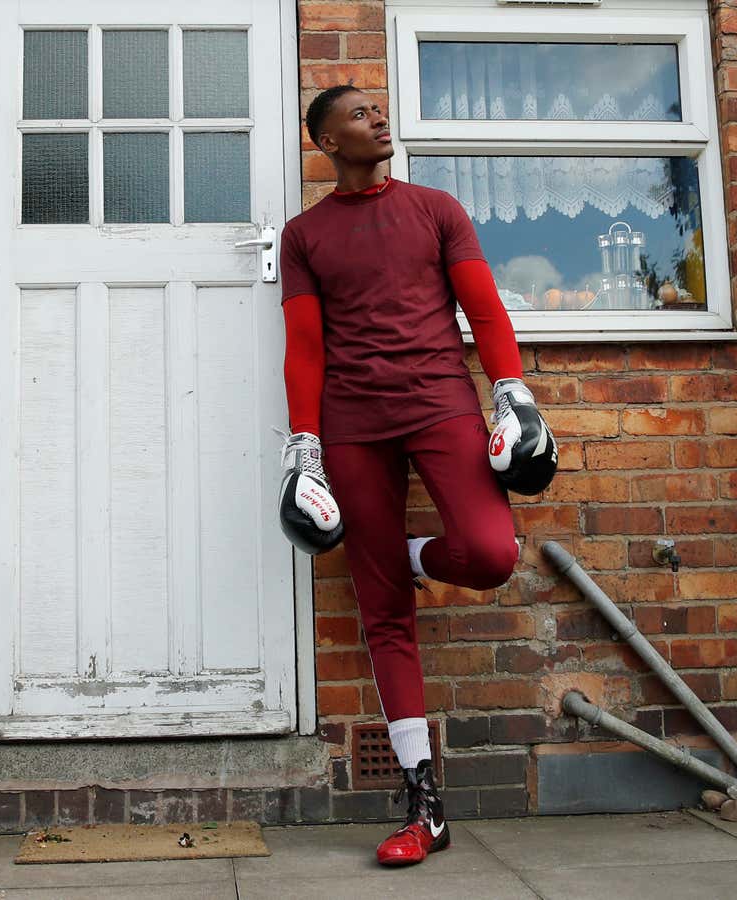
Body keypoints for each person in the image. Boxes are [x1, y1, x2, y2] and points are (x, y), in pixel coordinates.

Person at [275, 85, 556, 867]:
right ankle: (423, 803)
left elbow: (485, 311)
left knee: (492, 552)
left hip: (440, 404)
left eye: (379, 109)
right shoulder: (305, 235)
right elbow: (304, 347)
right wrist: (305, 445)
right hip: (353, 425)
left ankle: (408, 554)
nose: (379, 119)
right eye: (359, 115)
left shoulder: (436, 208)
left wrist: (512, 390)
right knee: (383, 615)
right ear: (327, 142)